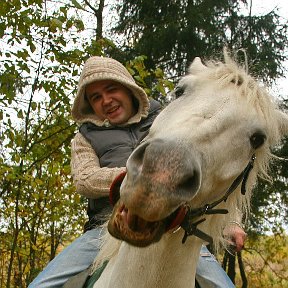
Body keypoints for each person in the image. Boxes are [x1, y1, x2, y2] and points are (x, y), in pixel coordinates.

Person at [29, 56, 246, 288]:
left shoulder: (168, 119)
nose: (106, 100)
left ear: (128, 88)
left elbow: (209, 167)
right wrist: (141, 175)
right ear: (90, 105)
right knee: (41, 285)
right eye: (96, 97)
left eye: (111, 89)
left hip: (176, 230)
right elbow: (85, 180)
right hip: (103, 233)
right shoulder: (84, 137)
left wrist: (232, 221)